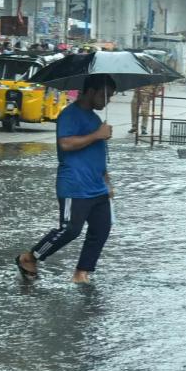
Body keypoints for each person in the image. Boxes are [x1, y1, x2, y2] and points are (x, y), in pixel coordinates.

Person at [16, 74, 117, 284]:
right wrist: (96, 135)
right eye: (105, 95)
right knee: (70, 229)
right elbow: (66, 144)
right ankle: (30, 257)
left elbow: (98, 152)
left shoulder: (95, 118)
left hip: (97, 186)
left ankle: (82, 273)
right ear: (91, 91)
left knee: (102, 229)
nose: (107, 101)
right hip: (75, 186)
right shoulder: (69, 115)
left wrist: (107, 181)